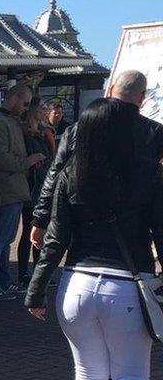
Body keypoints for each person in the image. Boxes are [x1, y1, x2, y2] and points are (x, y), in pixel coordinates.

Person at [25, 98, 162, 380]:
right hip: (128, 285)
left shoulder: (72, 174)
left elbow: (55, 240)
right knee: (131, 372)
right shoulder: (149, 174)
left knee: (88, 373)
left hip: (76, 285)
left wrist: (36, 290)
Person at [30, 70, 163, 249]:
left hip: (85, 215)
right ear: (142, 97)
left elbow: (55, 174)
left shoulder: (77, 129)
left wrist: (40, 219)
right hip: (134, 223)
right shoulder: (154, 132)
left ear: (111, 90)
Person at [0, 84, 46, 300]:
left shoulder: (8, 122)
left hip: (12, 190)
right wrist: (28, 161)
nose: (26, 108)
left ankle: (4, 282)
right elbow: (0, 158)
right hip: (4, 189)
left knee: (4, 239)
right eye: (25, 103)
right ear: (14, 98)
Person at [15, 99, 54, 286]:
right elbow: (31, 160)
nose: (45, 111)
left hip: (43, 187)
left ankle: (39, 274)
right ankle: (24, 274)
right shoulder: (26, 133)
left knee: (41, 232)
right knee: (29, 232)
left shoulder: (43, 132)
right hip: (33, 188)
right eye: (42, 108)